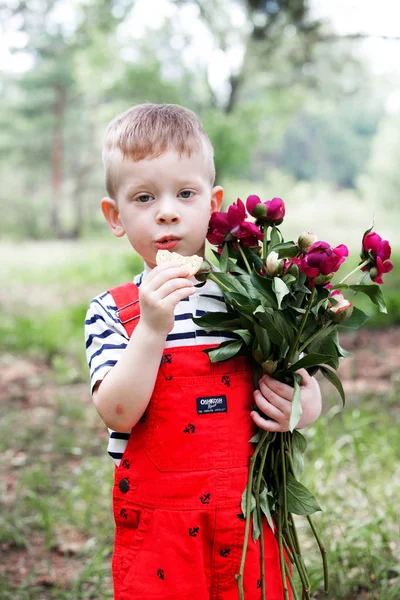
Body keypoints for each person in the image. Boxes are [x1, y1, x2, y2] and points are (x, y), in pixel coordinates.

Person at [85, 103, 322, 600]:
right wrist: (151, 329)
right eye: (145, 197)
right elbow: (119, 413)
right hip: (161, 533)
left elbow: (296, 377)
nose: (167, 210)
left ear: (212, 203)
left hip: (250, 514)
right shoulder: (113, 312)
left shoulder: (255, 296)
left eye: (185, 193)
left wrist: (301, 406)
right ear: (116, 216)